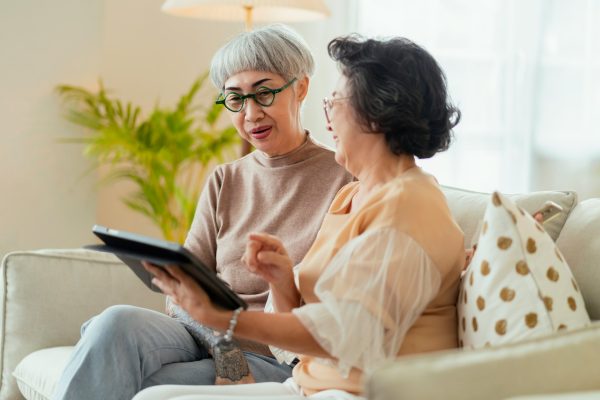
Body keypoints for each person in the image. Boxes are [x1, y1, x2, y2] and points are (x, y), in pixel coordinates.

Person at [134, 34, 465, 400]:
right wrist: (281, 280)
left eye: (335, 102)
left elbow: (350, 334)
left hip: (353, 391)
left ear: (377, 115)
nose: (327, 119)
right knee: (154, 396)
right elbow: (309, 323)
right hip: (311, 382)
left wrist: (224, 320)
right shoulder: (351, 197)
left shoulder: (409, 204)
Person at [52, 24, 352, 400]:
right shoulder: (225, 179)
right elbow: (180, 291)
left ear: (301, 88)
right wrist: (224, 348)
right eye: (235, 99)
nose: (251, 113)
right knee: (113, 322)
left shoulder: (345, 177)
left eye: (264, 93)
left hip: (274, 353)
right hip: (205, 334)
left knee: (143, 387)